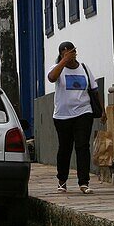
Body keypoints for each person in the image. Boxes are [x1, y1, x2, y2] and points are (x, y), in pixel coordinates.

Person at [47, 41, 103, 194]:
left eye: (71, 52)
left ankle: (83, 182)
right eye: (65, 53)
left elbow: (94, 91)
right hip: (62, 116)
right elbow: (52, 78)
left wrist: (102, 111)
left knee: (82, 146)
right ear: (61, 54)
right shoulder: (57, 69)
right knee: (65, 148)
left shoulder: (84, 69)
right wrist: (63, 61)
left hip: (84, 112)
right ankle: (62, 180)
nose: (70, 55)